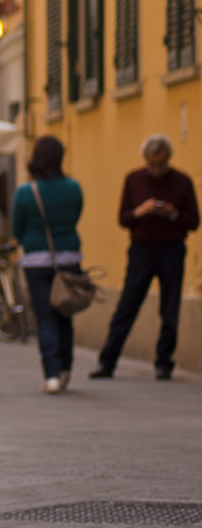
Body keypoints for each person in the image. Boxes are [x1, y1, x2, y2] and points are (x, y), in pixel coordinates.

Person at [91, 134, 199, 380]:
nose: (156, 169)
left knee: (170, 309)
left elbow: (193, 222)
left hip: (172, 249)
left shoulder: (182, 181)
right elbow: (123, 218)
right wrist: (140, 211)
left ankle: (164, 362)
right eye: (152, 164)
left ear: (168, 159)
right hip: (141, 250)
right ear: (145, 161)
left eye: (161, 164)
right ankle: (107, 362)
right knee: (127, 306)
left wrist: (173, 214)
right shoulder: (134, 179)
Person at [11, 136, 84, 394]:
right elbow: (75, 217)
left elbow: (17, 229)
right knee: (65, 313)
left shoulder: (25, 192)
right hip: (69, 259)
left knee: (45, 318)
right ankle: (66, 370)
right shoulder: (74, 187)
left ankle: (51, 374)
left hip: (37, 261)